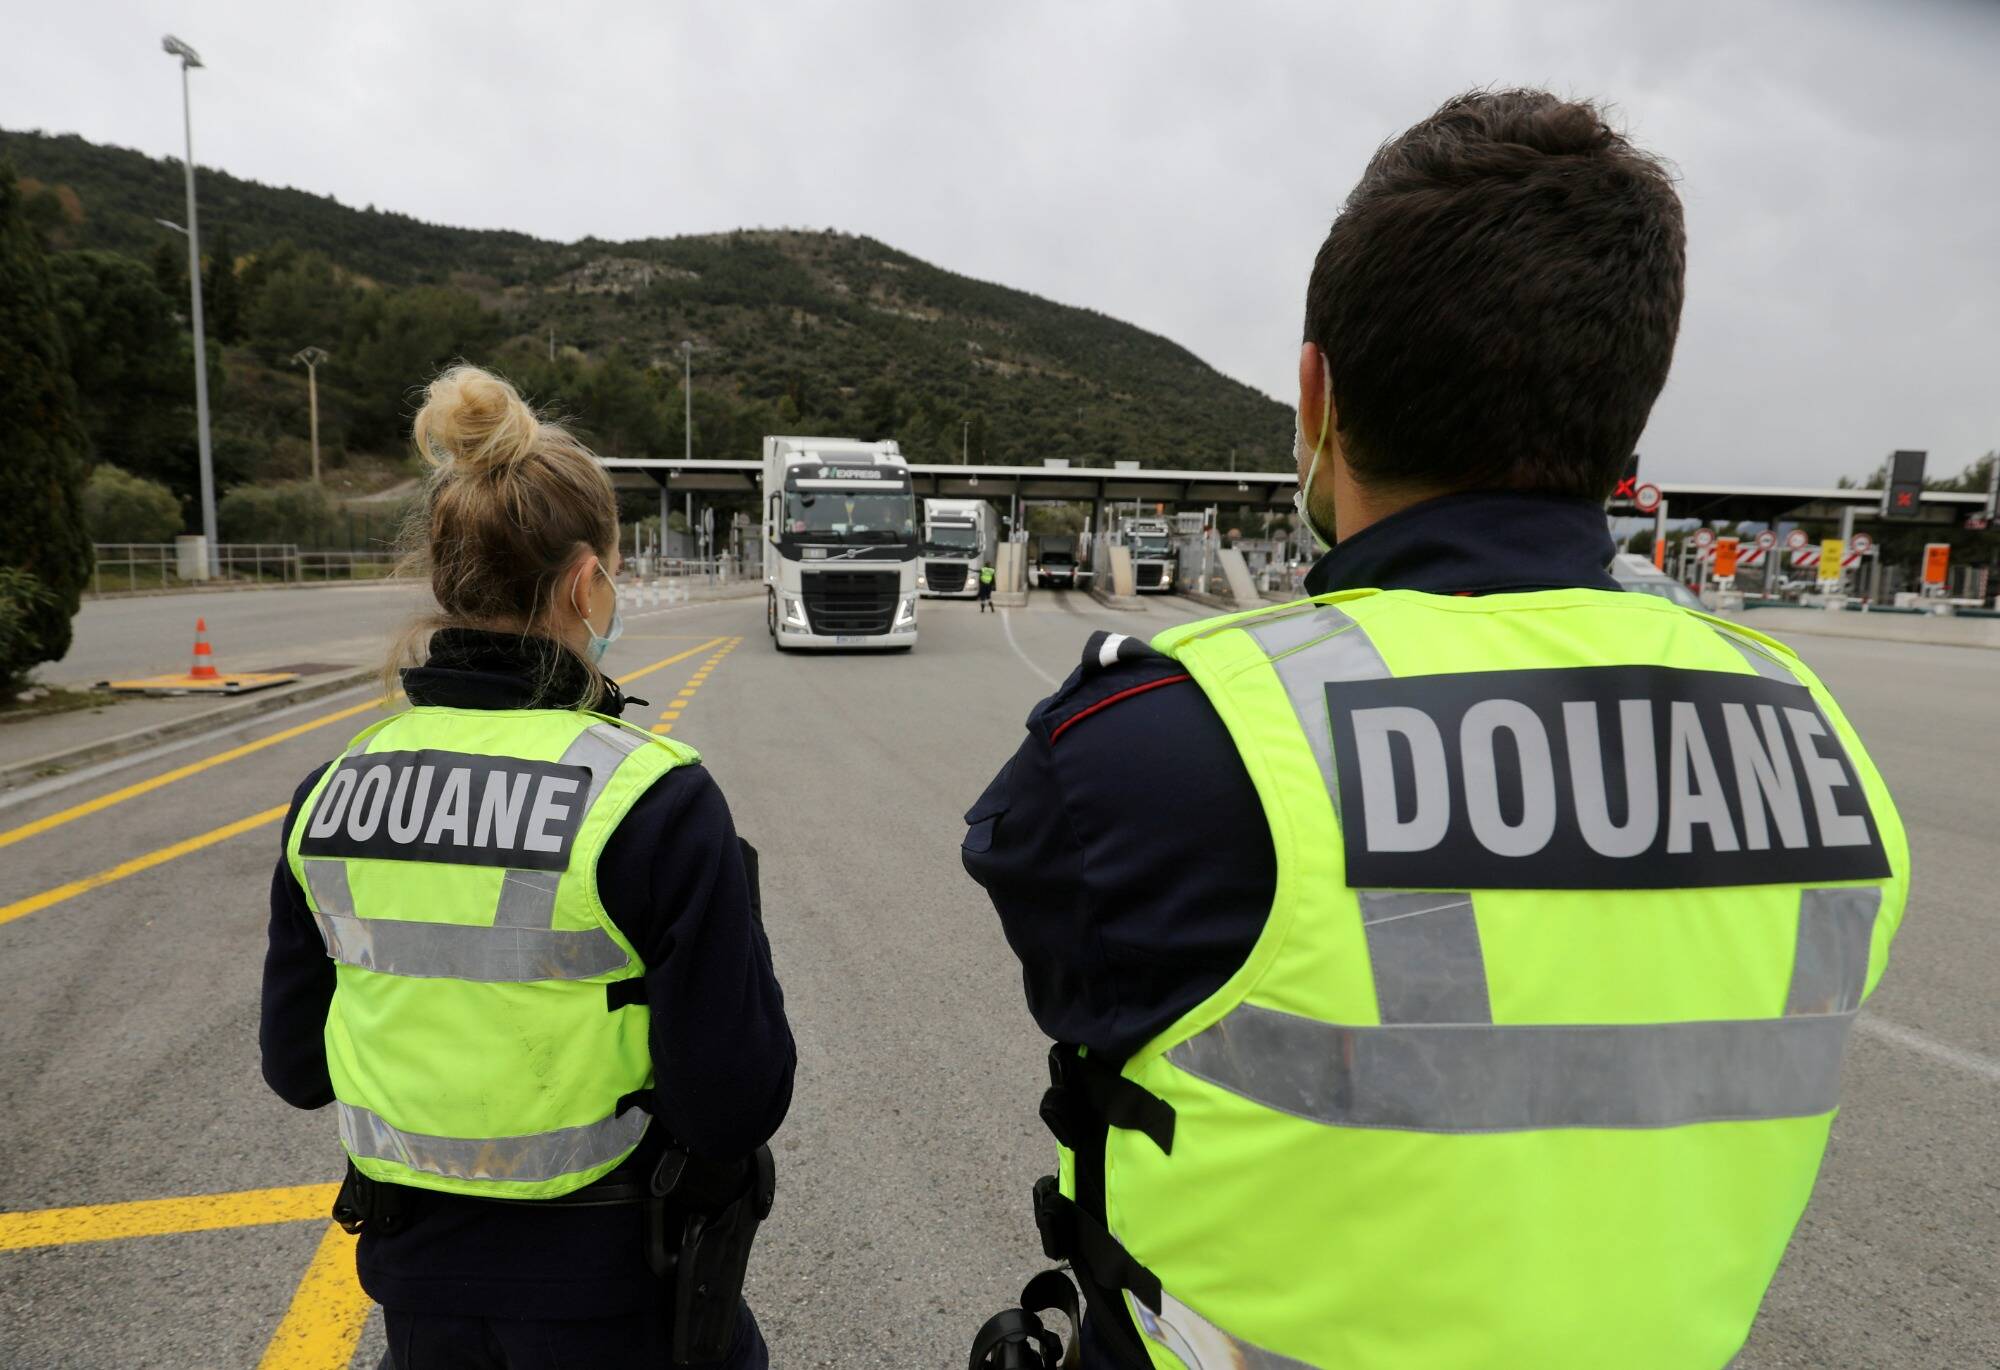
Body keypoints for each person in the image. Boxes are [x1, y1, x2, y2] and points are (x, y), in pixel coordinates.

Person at [963, 90, 1909, 1369]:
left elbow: (1059, 937)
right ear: (1625, 413)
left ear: (1316, 398)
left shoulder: (1168, 740)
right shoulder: (1819, 748)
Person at [261, 365, 794, 1370]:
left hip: (417, 1289)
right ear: (586, 582)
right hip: (616, 1288)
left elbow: (296, 1068)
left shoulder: (330, 792)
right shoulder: (652, 798)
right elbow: (733, 1100)